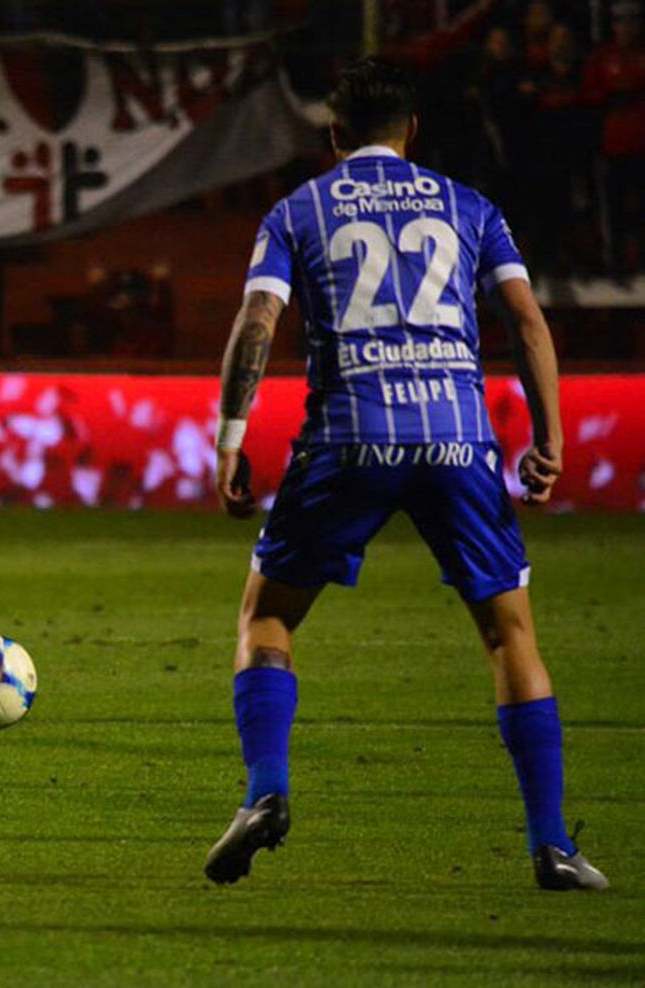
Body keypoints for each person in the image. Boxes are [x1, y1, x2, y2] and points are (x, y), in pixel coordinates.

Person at [204, 58, 607, 891]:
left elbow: (258, 319)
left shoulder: (298, 210)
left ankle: (265, 792)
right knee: (509, 633)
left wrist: (230, 436)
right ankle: (551, 845)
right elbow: (526, 321)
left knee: (267, 618)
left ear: (334, 134)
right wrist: (551, 435)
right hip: (458, 437)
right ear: (412, 132)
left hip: (350, 433)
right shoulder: (470, 206)